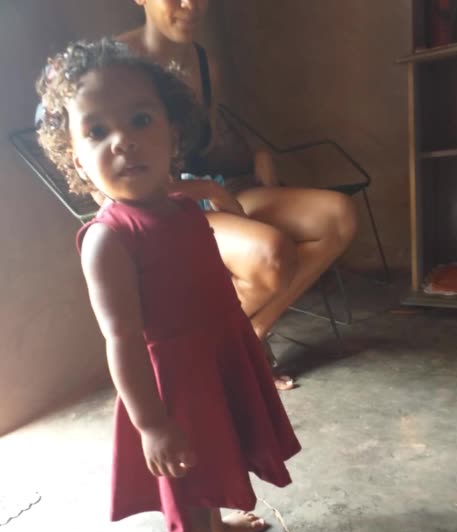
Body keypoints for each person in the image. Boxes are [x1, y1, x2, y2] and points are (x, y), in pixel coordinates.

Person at [36, 39, 301, 532]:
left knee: (214, 459)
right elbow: (122, 340)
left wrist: (243, 347)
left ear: (172, 132)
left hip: (215, 362)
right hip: (171, 389)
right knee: (183, 486)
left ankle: (218, 529)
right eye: (97, 131)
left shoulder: (183, 208)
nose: (122, 141)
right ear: (77, 158)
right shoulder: (108, 239)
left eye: (139, 119)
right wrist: (151, 423)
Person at [118, 0, 358, 391]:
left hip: (211, 190)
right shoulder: (116, 65)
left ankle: (251, 336)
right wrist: (206, 190)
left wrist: (257, 152)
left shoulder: (205, 63)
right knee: (271, 254)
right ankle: (204, 360)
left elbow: (207, 145)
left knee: (339, 215)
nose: (192, 5)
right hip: (161, 209)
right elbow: (109, 176)